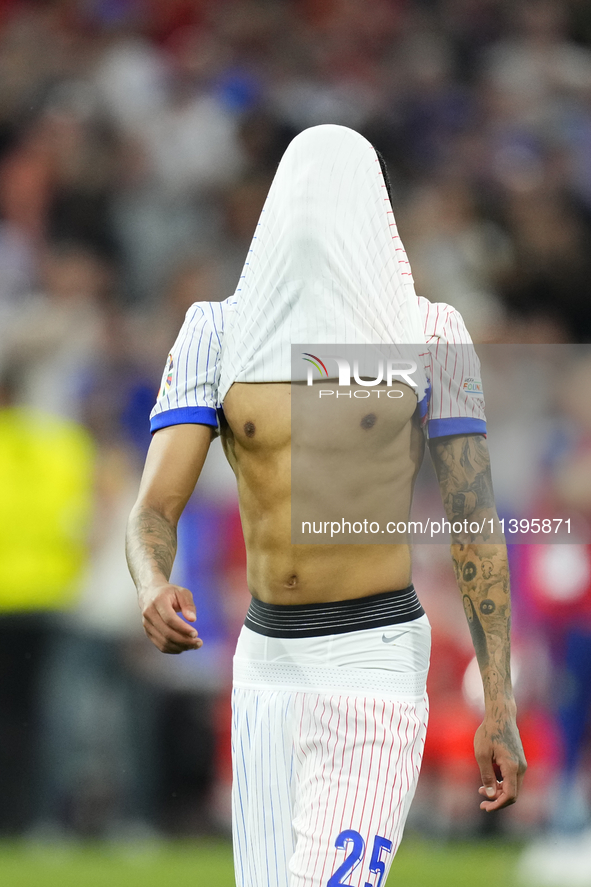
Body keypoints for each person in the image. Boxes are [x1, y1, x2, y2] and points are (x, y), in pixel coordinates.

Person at [126, 124, 526, 887]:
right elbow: (154, 507)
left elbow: (474, 524)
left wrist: (496, 699)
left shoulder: (430, 333)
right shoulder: (216, 333)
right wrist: (151, 582)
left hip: (372, 662)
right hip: (265, 666)